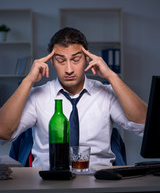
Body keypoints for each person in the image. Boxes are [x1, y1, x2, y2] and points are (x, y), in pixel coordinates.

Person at [0, 27, 147, 169]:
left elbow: (144, 123)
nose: (69, 69)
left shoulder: (106, 94)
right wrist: (28, 81)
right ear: (51, 62)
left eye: (76, 59)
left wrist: (112, 76)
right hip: (49, 182)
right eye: (61, 61)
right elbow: (3, 131)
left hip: (98, 182)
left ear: (86, 59)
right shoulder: (38, 96)